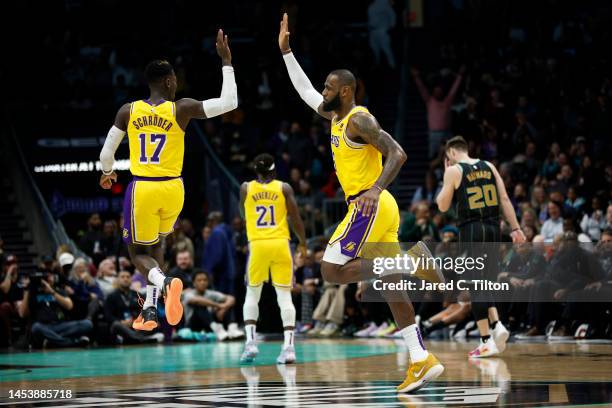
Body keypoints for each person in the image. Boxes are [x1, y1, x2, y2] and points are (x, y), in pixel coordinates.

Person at [279, 13, 444, 392]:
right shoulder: (335, 118)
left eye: (330, 87)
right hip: (378, 206)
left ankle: (410, 259)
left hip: (369, 204)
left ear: (347, 91)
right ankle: (421, 360)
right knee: (388, 283)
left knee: (331, 270)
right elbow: (306, 94)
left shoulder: (359, 119)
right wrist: (287, 52)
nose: (324, 91)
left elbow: (398, 153)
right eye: (325, 86)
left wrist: (373, 190)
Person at [98, 29, 238, 331]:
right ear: (169, 81)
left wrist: (108, 172)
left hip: (144, 189)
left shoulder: (127, 111)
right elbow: (230, 102)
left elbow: (106, 155)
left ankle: (165, 282)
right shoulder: (181, 108)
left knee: (137, 254)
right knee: (157, 247)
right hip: (175, 188)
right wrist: (226, 61)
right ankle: (149, 309)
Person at [436, 136, 526, 358]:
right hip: (494, 229)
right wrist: (516, 229)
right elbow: (505, 199)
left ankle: (486, 341)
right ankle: (497, 325)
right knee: (485, 282)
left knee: (475, 287)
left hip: (472, 231)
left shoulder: (454, 170)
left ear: (451, 154)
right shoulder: (489, 166)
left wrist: (446, 175)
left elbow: (442, 205)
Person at [239, 153, 307, 364]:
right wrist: (303, 242)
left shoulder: (245, 188)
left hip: (258, 244)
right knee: (284, 296)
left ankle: (250, 343)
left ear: (256, 170)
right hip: (280, 243)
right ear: (274, 170)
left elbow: (243, 213)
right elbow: (295, 217)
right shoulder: (284, 188)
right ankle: (288, 348)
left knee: (252, 294)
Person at [105, 270, 163, 344]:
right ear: (117, 280)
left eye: (128, 277)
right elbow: (108, 315)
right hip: (121, 326)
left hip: (136, 325)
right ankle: (141, 339)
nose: (125, 279)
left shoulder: (138, 295)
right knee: (116, 325)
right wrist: (121, 322)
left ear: (131, 280)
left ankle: (132, 338)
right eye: (122, 277)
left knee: (153, 322)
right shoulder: (111, 296)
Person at [182, 269, 242, 340]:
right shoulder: (188, 293)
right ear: (194, 283)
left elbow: (231, 298)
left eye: (205, 280)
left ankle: (232, 329)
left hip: (209, 325)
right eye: (199, 280)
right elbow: (197, 301)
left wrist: (224, 307)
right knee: (200, 306)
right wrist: (218, 306)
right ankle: (218, 330)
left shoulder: (210, 293)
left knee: (227, 305)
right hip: (194, 325)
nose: (202, 282)